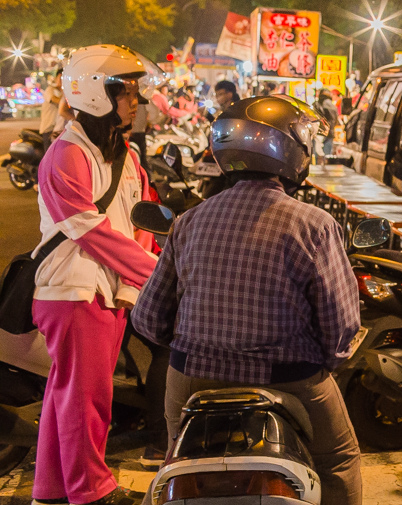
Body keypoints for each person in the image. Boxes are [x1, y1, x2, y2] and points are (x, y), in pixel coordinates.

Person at [131, 95, 362, 505]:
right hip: (288, 378)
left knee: (176, 462)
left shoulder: (189, 221)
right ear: (289, 151)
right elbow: (340, 329)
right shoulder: (315, 225)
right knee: (340, 460)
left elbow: (149, 319)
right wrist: (329, 360)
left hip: (192, 380)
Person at [32, 44, 161, 505]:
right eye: (126, 91)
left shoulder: (123, 154)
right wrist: (159, 273)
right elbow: (92, 231)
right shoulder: (66, 155)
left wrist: (152, 264)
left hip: (107, 292)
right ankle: (91, 492)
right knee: (85, 401)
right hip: (74, 290)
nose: (136, 101)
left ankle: (50, 491)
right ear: (95, 94)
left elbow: (143, 219)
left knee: (65, 398)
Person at [39, 69, 64, 151]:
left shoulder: (64, 93)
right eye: (60, 77)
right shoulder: (50, 90)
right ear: (56, 78)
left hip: (60, 129)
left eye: (64, 77)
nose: (62, 80)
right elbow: (54, 99)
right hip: (49, 129)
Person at [314, 87, 339, 156]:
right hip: (329, 132)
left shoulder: (316, 104)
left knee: (317, 155)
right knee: (327, 156)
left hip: (319, 133)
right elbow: (335, 119)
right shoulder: (332, 105)